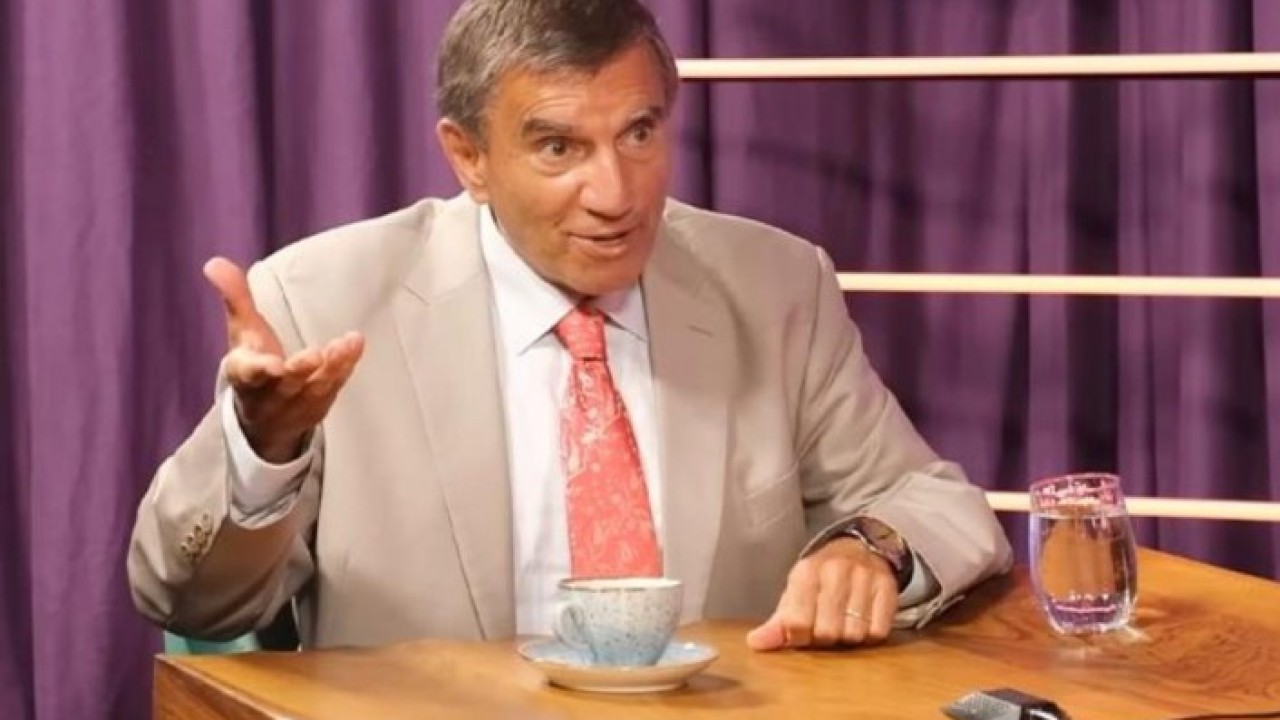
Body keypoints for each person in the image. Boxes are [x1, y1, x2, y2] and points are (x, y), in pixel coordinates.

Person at [127, 0, 1012, 652]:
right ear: (468, 157)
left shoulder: (775, 286)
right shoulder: (323, 298)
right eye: (559, 148)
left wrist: (873, 547)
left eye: (639, 134)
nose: (615, 194)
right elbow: (192, 602)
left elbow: (938, 503)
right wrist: (263, 453)